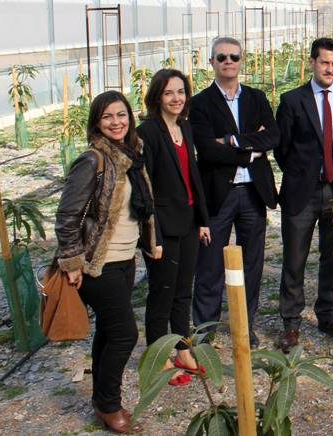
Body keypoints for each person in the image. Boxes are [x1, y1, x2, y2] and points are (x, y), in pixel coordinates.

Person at [55, 91, 155, 433]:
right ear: (97, 122)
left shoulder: (130, 155)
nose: (117, 122)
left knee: (109, 331)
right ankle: (109, 405)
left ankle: (100, 398)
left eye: (122, 115)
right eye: (108, 117)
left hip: (125, 259)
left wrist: (149, 244)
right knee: (126, 334)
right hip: (99, 264)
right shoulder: (93, 160)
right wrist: (71, 262)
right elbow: (67, 214)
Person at [190, 37, 279, 348]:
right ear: (212, 62)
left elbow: (274, 137)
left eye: (234, 56)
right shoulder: (200, 103)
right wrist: (250, 147)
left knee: (252, 262)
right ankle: (205, 329)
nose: (228, 61)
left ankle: (245, 324)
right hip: (218, 193)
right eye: (221, 57)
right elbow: (206, 150)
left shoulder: (256, 97)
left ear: (242, 61)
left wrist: (229, 140)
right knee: (210, 262)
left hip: (253, 192)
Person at [274, 37, 333, 351]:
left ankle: (326, 315)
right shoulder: (292, 100)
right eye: (325, 62)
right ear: (311, 63)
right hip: (302, 193)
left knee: (332, 257)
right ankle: (291, 324)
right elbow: (281, 149)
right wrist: (303, 174)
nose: (330, 69)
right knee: (295, 259)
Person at [137, 69, 211, 386]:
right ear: (157, 97)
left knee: (183, 293)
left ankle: (183, 349)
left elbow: (193, 175)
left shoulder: (184, 127)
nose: (176, 98)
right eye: (169, 93)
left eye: (181, 92)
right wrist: (152, 237)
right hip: (163, 228)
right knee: (161, 296)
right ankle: (158, 359)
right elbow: (145, 189)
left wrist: (203, 220)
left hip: (188, 220)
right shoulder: (148, 133)